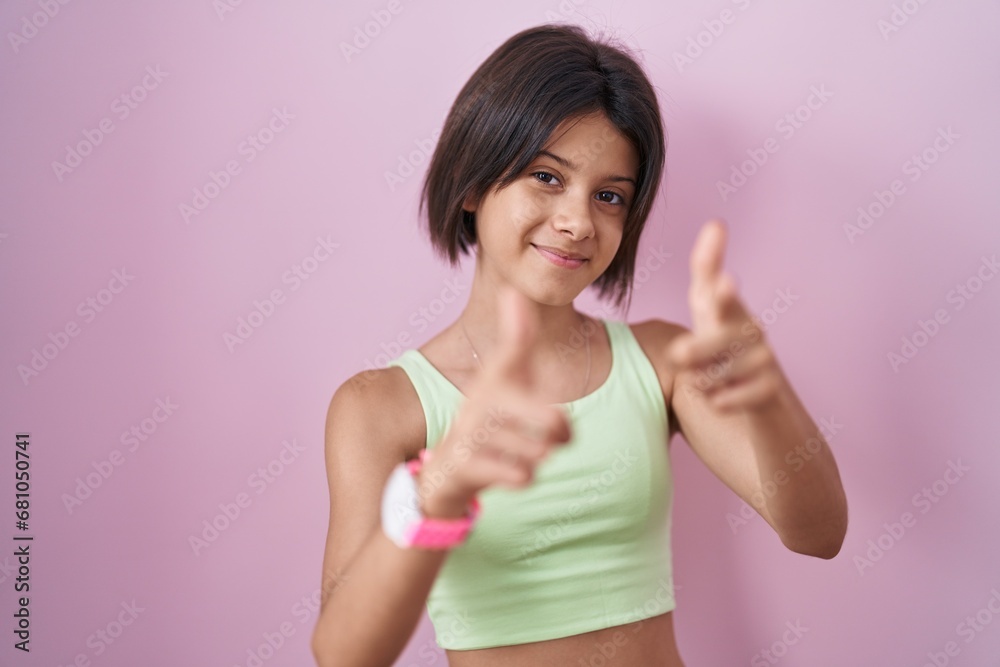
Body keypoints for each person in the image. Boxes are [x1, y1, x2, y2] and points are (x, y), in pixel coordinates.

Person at [311, 23, 848, 667]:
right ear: (475, 182)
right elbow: (343, 656)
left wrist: (772, 400)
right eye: (546, 176)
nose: (577, 221)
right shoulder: (381, 407)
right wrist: (442, 488)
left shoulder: (661, 363)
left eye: (609, 196)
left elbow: (819, 533)